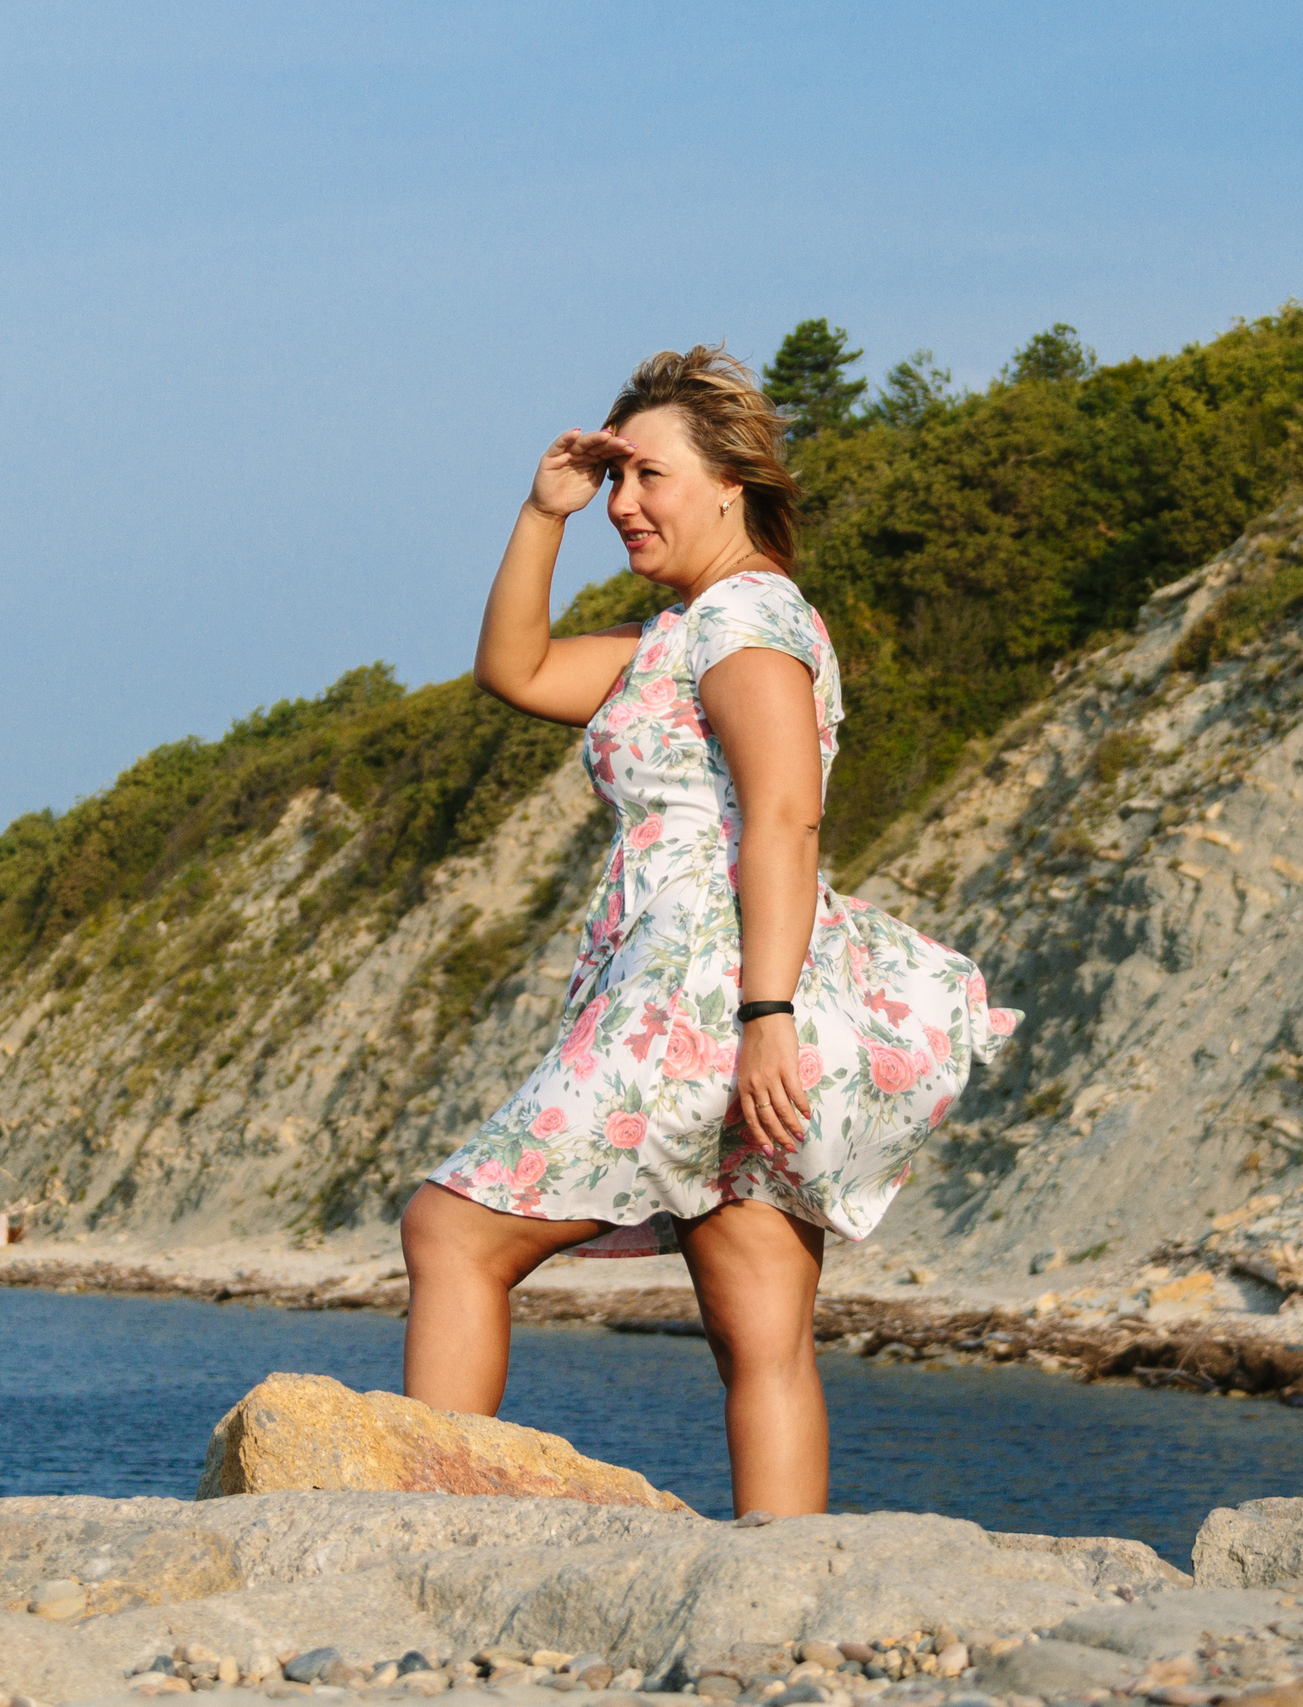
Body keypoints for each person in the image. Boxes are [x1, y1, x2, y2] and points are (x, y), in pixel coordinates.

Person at [400, 345, 1021, 1519]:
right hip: (727, 987)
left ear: (731, 484)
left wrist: (765, 1016)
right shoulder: (677, 636)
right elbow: (515, 668)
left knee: (450, 1231)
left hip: (705, 989)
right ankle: (781, 1584)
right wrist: (542, 512)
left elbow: (785, 815)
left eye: (650, 477)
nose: (623, 504)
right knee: (760, 1331)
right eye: (614, 479)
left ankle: (425, 1533)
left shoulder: (745, 617)